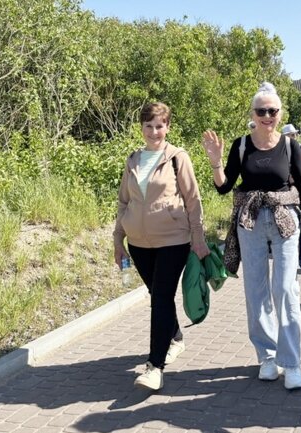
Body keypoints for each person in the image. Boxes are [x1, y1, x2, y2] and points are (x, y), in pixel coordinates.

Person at [201, 82, 301, 390]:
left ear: (280, 113)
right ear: (253, 113)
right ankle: (267, 357)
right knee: (256, 289)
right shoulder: (242, 145)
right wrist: (215, 162)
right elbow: (224, 186)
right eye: (261, 111)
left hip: (285, 219)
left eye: (272, 111)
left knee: (285, 288)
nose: (267, 116)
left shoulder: (290, 145)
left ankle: (291, 363)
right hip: (250, 220)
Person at [113, 102, 210, 391]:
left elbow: (193, 200)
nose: (154, 132)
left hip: (173, 240)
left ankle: (155, 367)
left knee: (161, 298)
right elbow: (123, 202)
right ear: (141, 128)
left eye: (159, 126)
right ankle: (176, 337)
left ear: (167, 127)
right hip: (138, 243)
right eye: (149, 126)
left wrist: (198, 238)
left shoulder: (178, 158)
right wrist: (118, 239)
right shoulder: (133, 159)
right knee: (159, 295)